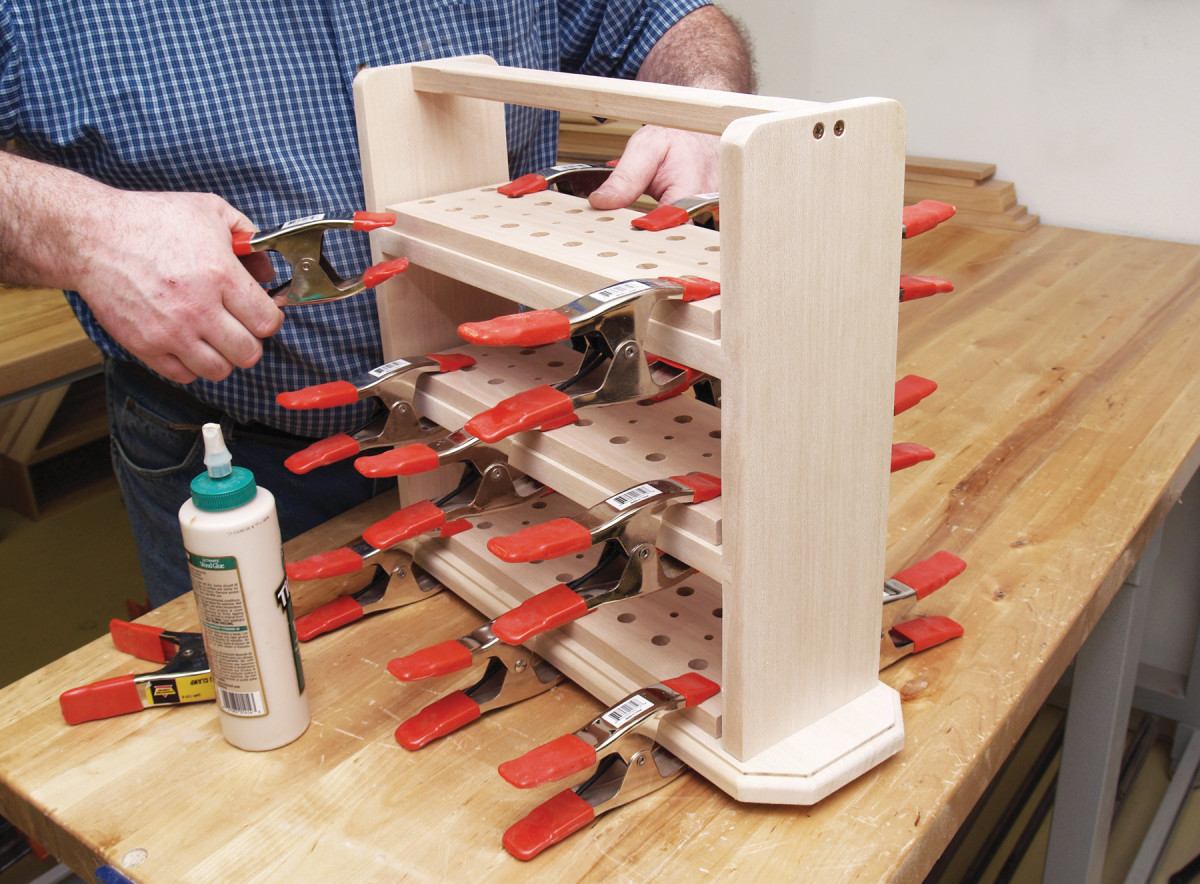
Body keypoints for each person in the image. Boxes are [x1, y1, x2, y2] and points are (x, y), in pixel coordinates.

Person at [0, 1, 754, 607]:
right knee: (255, 693)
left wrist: (703, 105)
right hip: (235, 454)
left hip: (532, 427)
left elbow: (668, 17)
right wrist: (82, 230)